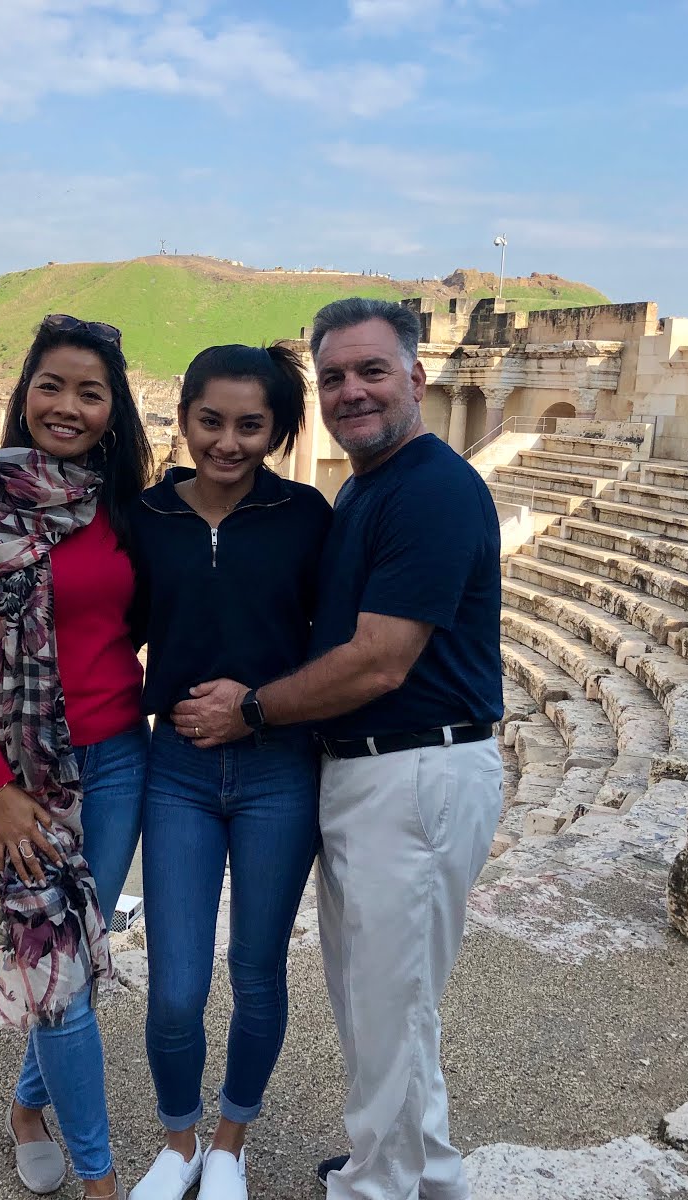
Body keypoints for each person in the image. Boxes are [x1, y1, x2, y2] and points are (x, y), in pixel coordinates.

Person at [171, 298, 503, 1200]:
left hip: (417, 769)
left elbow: (379, 661)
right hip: (377, 772)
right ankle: (418, 1172)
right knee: (380, 1003)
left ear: (415, 378)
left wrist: (250, 708)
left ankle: (378, 1188)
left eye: (372, 371)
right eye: (335, 378)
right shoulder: (367, 488)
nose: (352, 392)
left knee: (388, 1007)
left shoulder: (432, 489)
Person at [0, 314, 154, 1200]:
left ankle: (25, 1108)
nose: (68, 406)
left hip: (121, 758)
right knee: (60, 973)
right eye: (52, 385)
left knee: (72, 960)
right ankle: (100, 1178)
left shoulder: (125, 504)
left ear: (113, 409)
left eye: (91, 392)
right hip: (21, 781)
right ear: (24, 393)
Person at [126, 345, 332, 1200]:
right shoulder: (144, 516)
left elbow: (334, 643)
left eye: (252, 425)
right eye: (211, 421)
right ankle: (177, 1144)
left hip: (280, 770)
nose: (229, 442)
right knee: (174, 987)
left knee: (256, 971)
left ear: (279, 430)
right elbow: (110, 631)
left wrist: (260, 701)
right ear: (184, 420)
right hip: (174, 769)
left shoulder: (307, 514)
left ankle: (230, 1143)